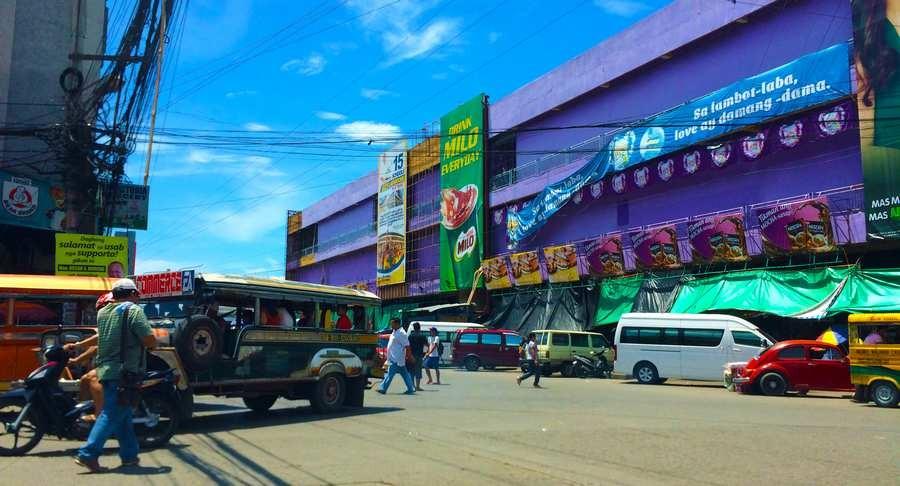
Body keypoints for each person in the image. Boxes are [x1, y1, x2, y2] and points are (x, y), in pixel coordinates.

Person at [75, 278, 157, 473]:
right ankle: (88, 454)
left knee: (124, 414)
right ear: (133, 294)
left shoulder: (103, 312)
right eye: (137, 295)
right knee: (111, 413)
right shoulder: (134, 310)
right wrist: (153, 343)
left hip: (106, 370)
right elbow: (148, 339)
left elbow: (101, 338)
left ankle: (129, 456)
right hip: (125, 373)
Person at [376, 318, 415, 395]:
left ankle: (383, 388)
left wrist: (409, 356)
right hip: (395, 358)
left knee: (389, 374)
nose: (391, 325)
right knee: (405, 374)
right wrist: (381, 336)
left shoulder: (402, 333)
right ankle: (411, 388)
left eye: (392, 324)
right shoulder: (395, 331)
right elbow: (391, 336)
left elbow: (407, 346)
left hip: (396, 358)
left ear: (397, 324)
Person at [407, 322, 428, 391]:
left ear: (414, 328)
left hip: (411, 355)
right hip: (419, 355)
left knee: (411, 371)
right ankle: (418, 386)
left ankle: (412, 386)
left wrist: (408, 355)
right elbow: (426, 345)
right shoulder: (422, 336)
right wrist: (424, 354)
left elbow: (408, 346)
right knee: (418, 370)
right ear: (419, 328)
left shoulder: (410, 336)